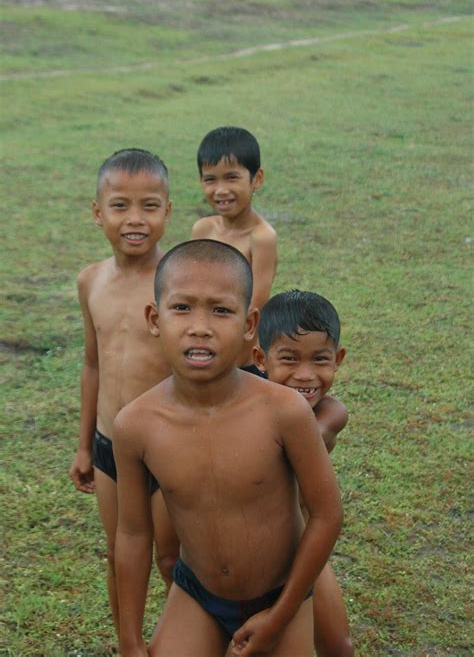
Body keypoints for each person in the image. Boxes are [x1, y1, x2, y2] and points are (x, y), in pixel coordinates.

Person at [113, 239, 343, 657]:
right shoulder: (135, 426)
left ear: (249, 323)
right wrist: (129, 639)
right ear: (154, 317)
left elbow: (327, 514)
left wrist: (281, 616)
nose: (200, 326)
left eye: (221, 310)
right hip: (197, 594)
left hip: (282, 594)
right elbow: (132, 533)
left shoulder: (285, 411)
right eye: (181, 307)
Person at [68, 148, 179, 640]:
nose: (135, 219)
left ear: (168, 211)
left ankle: (195, 639)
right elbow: (94, 363)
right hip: (110, 445)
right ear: (98, 212)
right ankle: (128, 643)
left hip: (171, 448)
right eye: (120, 206)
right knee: (119, 555)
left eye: (150, 206)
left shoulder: (178, 283)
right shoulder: (90, 281)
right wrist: (83, 443)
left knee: (174, 558)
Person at [253, 289, 354, 657]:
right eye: (289, 359)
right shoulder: (244, 411)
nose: (305, 374)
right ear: (260, 360)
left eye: (320, 359)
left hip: (305, 550)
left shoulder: (328, 415)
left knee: (338, 648)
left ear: (338, 359)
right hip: (251, 556)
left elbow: (320, 429)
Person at [191, 126, 277, 371]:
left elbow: (255, 307)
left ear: (256, 179)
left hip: (242, 361)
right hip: (205, 349)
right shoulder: (202, 230)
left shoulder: (261, 238)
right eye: (210, 179)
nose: (221, 190)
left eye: (232, 177)